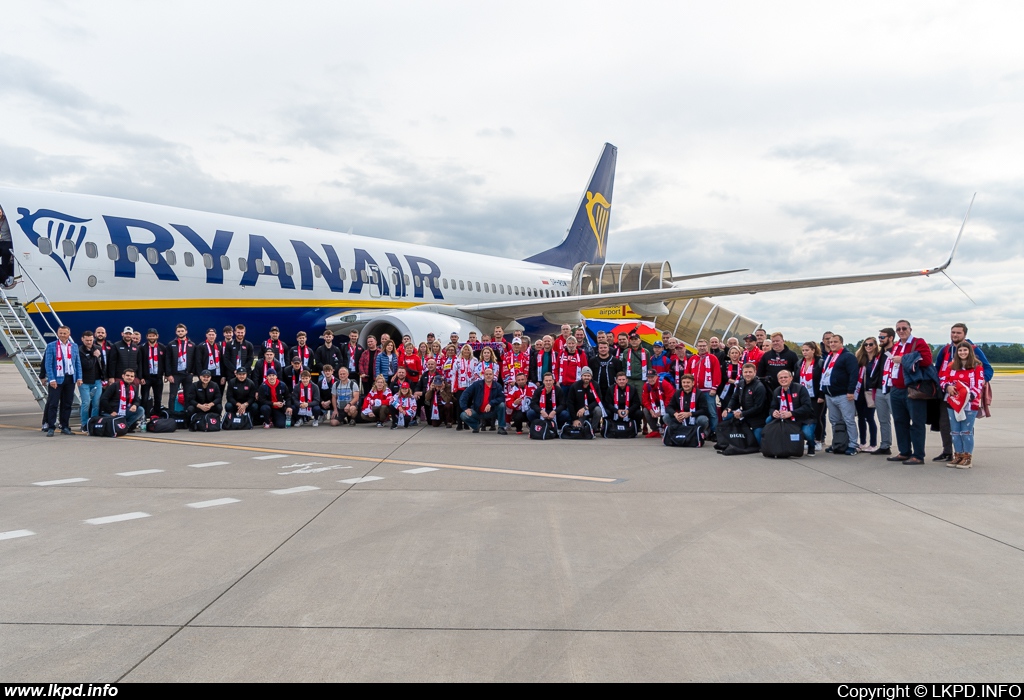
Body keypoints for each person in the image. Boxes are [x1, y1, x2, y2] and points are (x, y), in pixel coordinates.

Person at [932, 323, 994, 463]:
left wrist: (978, 385)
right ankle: (949, 452)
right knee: (945, 423)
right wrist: (945, 385)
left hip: (968, 397)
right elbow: (938, 369)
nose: (955, 335)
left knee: (966, 427)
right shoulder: (945, 350)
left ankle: (966, 455)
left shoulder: (973, 350)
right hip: (948, 394)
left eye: (958, 333)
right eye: (953, 332)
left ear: (965, 335)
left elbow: (988, 369)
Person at [886, 320, 933, 465]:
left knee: (917, 422)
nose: (901, 331)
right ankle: (904, 451)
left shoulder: (918, 343)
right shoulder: (896, 345)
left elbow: (927, 360)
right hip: (896, 389)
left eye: (904, 328)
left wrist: (903, 359)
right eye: (898, 329)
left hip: (913, 389)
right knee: (900, 422)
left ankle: (918, 455)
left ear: (910, 329)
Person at [940, 342, 985, 468]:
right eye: (960, 351)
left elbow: (979, 384)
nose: (962, 353)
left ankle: (967, 457)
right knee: (955, 431)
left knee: (966, 431)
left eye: (965, 350)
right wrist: (947, 387)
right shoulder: (951, 365)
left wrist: (970, 396)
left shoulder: (977, 366)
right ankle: (958, 455)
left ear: (969, 351)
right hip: (953, 403)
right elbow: (943, 379)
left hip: (970, 404)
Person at [821, 334, 859, 456]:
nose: (832, 344)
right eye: (830, 342)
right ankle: (837, 443)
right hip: (830, 395)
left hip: (843, 394)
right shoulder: (829, 357)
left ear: (841, 343)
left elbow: (854, 374)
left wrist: (850, 391)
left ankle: (853, 444)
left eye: (835, 342)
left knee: (849, 420)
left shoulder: (848, 357)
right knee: (834, 421)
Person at [43, 325, 82, 436]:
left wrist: (79, 377)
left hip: (70, 378)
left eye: (65, 333)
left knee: (67, 404)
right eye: (60, 333)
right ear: (57, 333)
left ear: (69, 334)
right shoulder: (51, 346)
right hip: (56, 378)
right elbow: (48, 364)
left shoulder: (74, 346)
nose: (62, 335)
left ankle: (64, 426)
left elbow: (77, 363)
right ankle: (51, 426)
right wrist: (51, 379)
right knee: (53, 404)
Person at [767, 369, 817, 455]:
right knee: (768, 420)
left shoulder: (800, 388)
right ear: (778, 380)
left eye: (785, 377)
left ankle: (811, 445)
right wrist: (773, 413)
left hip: (804, 418)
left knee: (807, 434)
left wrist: (791, 413)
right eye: (781, 378)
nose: (783, 379)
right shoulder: (777, 391)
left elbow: (807, 407)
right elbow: (772, 407)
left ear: (791, 378)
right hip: (784, 417)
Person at [722, 363, 768, 443]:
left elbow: (758, 407)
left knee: (759, 442)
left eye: (750, 372)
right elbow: (734, 398)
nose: (748, 374)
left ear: (755, 372)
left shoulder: (759, 387)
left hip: (757, 418)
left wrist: (742, 414)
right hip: (744, 414)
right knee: (725, 416)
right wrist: (728, 408)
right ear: (742, 373)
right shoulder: (741, 383)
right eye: (746, 372)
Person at [687, 338, 722, 439]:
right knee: (694, 410)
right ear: (696, 347)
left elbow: (716, 374)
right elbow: (687, 373)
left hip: (708, 390)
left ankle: (714, 431)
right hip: (695, 391)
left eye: (704, 346)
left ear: (707, 347)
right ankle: (696, 430)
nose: (702, 348)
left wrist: (714, 387)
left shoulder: (712, 358)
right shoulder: (693, 359)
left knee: (712, 411)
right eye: (700, 346)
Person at [855, 337, 883, 452]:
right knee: (860, 418)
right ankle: (862, 442)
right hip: (859, 391)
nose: (868, 346)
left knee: (870, 417)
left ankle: (873, 443)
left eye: (871, 344)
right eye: (866, 345)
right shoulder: (861, 359)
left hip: (871, 392)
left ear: (876, 345)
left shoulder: (878, 360)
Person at [797, 341, 826, 450]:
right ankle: (808, 440)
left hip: (816, 396)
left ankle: (818, 440)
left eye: (807, 350)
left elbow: (823, 380)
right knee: (804, 417)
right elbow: (797, 379)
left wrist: (821, 395)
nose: (804, 352)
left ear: (813, 350)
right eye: (803, 350)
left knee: (816, 418)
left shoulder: (820, 363)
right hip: (803, 396)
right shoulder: (800, 363)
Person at [873, 327, 896, 455]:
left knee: (898, 419)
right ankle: (885, 445)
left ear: (891, 338)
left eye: (882, 337)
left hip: (892, 389)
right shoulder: (880, 353)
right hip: (880, 389)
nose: (880, 340)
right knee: (883, 420)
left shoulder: (896, 351)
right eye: (879, 337)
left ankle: (906, 448)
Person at [99, 367, 144, 432]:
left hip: (125, 411)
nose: (129, 377)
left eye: (132, 376)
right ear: (123, 376)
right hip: (112, 412)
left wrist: (135, 405)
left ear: (134, 378)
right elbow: (103, 399)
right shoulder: (115, 385)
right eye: (127, 375)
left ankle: (125, 427)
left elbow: (136, 400)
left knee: (140, 410)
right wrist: (110, 411)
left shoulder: (133, 387)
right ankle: (120, 426)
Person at [78, 330, 104, 433]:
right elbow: (87, 365)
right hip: (85, 381)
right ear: (82, 339)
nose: (89, 342)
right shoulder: (80, 351)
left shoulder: (98, 348)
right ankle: (84, 424)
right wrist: (95, 356)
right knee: (86, 403)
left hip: (97, 380)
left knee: (96, 403)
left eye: (91, 340)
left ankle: (94, 422)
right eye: (87, 340)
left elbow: (102, 364)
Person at [565, 366, 605, 432]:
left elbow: (598, 400)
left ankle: (592, 430)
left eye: (588, 376)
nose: (586, 377)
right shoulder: (575, 386)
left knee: (598, 410)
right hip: (579, 412)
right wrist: (574, 419)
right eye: (585, 375)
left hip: (590, 409)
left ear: (591, 377)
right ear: (581, 376)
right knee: (578, 429)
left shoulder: (595, 385)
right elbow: (570, 402)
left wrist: (586, 408)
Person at [165, 324, 196, 406]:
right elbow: (167, 360)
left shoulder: (192, 345)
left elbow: (194, 359)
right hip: (175, 375)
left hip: (187, 374)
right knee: (172, 395)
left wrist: (192, 372)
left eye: (182, 331)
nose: (180, 332)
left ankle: (187, 414)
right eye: (179, 331)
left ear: (186, 331)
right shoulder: (171, 344)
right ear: (176, 332)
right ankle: (171, 414)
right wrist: (168, 374)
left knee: (188, 396)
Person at [451, 343, 478, 430]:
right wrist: (453, 387)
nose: (466, 351)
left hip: (470, 386)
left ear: (470, 351)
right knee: (460, 404)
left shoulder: (475, 360)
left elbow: (477, 374)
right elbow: (454, 374)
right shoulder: (457, 361)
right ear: (462, 351)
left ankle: (466, 423)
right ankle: (459, 423)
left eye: (468, 350)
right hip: (460, 386)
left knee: (468, 404)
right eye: (465, 349)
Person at [139, 328, 166, 414]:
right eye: (150, 336)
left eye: (153, 336)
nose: (152, 337)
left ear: (157, 336)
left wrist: (166, 374)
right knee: (145, 398)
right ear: (147, 336)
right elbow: (140, 363)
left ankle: (157, 416)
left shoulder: (162, 347)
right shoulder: (142, 348)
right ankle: (143, 416)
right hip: (146, 377)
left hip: (158, 377)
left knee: (158, 398)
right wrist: (141, 377)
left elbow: (165, 362)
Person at [641, 370, 675, 437]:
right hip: (655, 403)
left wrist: (661, 411)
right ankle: (655, 430)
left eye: (652, 377)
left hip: (666, 403)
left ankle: (666, 427)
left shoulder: (664, 384)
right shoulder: (646, 385)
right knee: (645, 410)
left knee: (668, 411)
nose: (650, 379)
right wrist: (651, 410)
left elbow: (670, 398)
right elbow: (645, 400)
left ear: (656, 376)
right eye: (648, 377)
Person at [0, 206, 14, 288]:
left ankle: (5, 279)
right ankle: (4, 277)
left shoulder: (7, 221)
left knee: (5, 260)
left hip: (7, 242)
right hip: (1, 242)